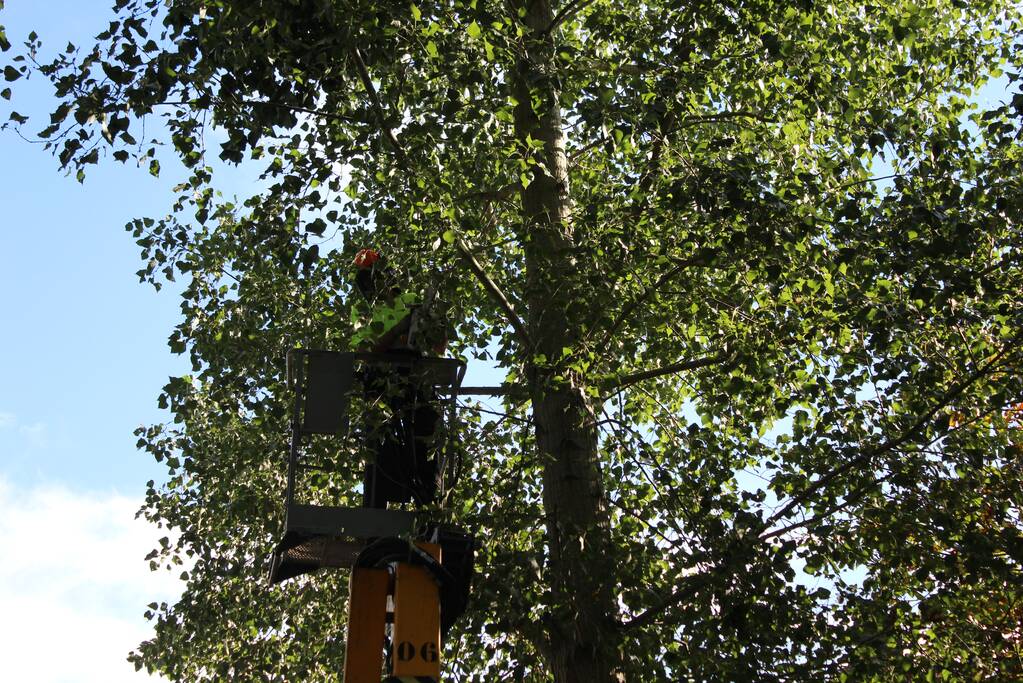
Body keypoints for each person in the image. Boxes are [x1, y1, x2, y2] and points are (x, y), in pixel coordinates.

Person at [350, 248, 446, 508]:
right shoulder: (363, 311)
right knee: (380, 446)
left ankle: (429, 503)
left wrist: (434, 323)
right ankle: (375, 511)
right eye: (368, 280)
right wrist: (397, 331)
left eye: (376, 277)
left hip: (416, 379)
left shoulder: (413, 300)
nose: (374, 285)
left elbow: (439, 346)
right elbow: (363, 352)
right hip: (381, 385)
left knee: (427, 435)